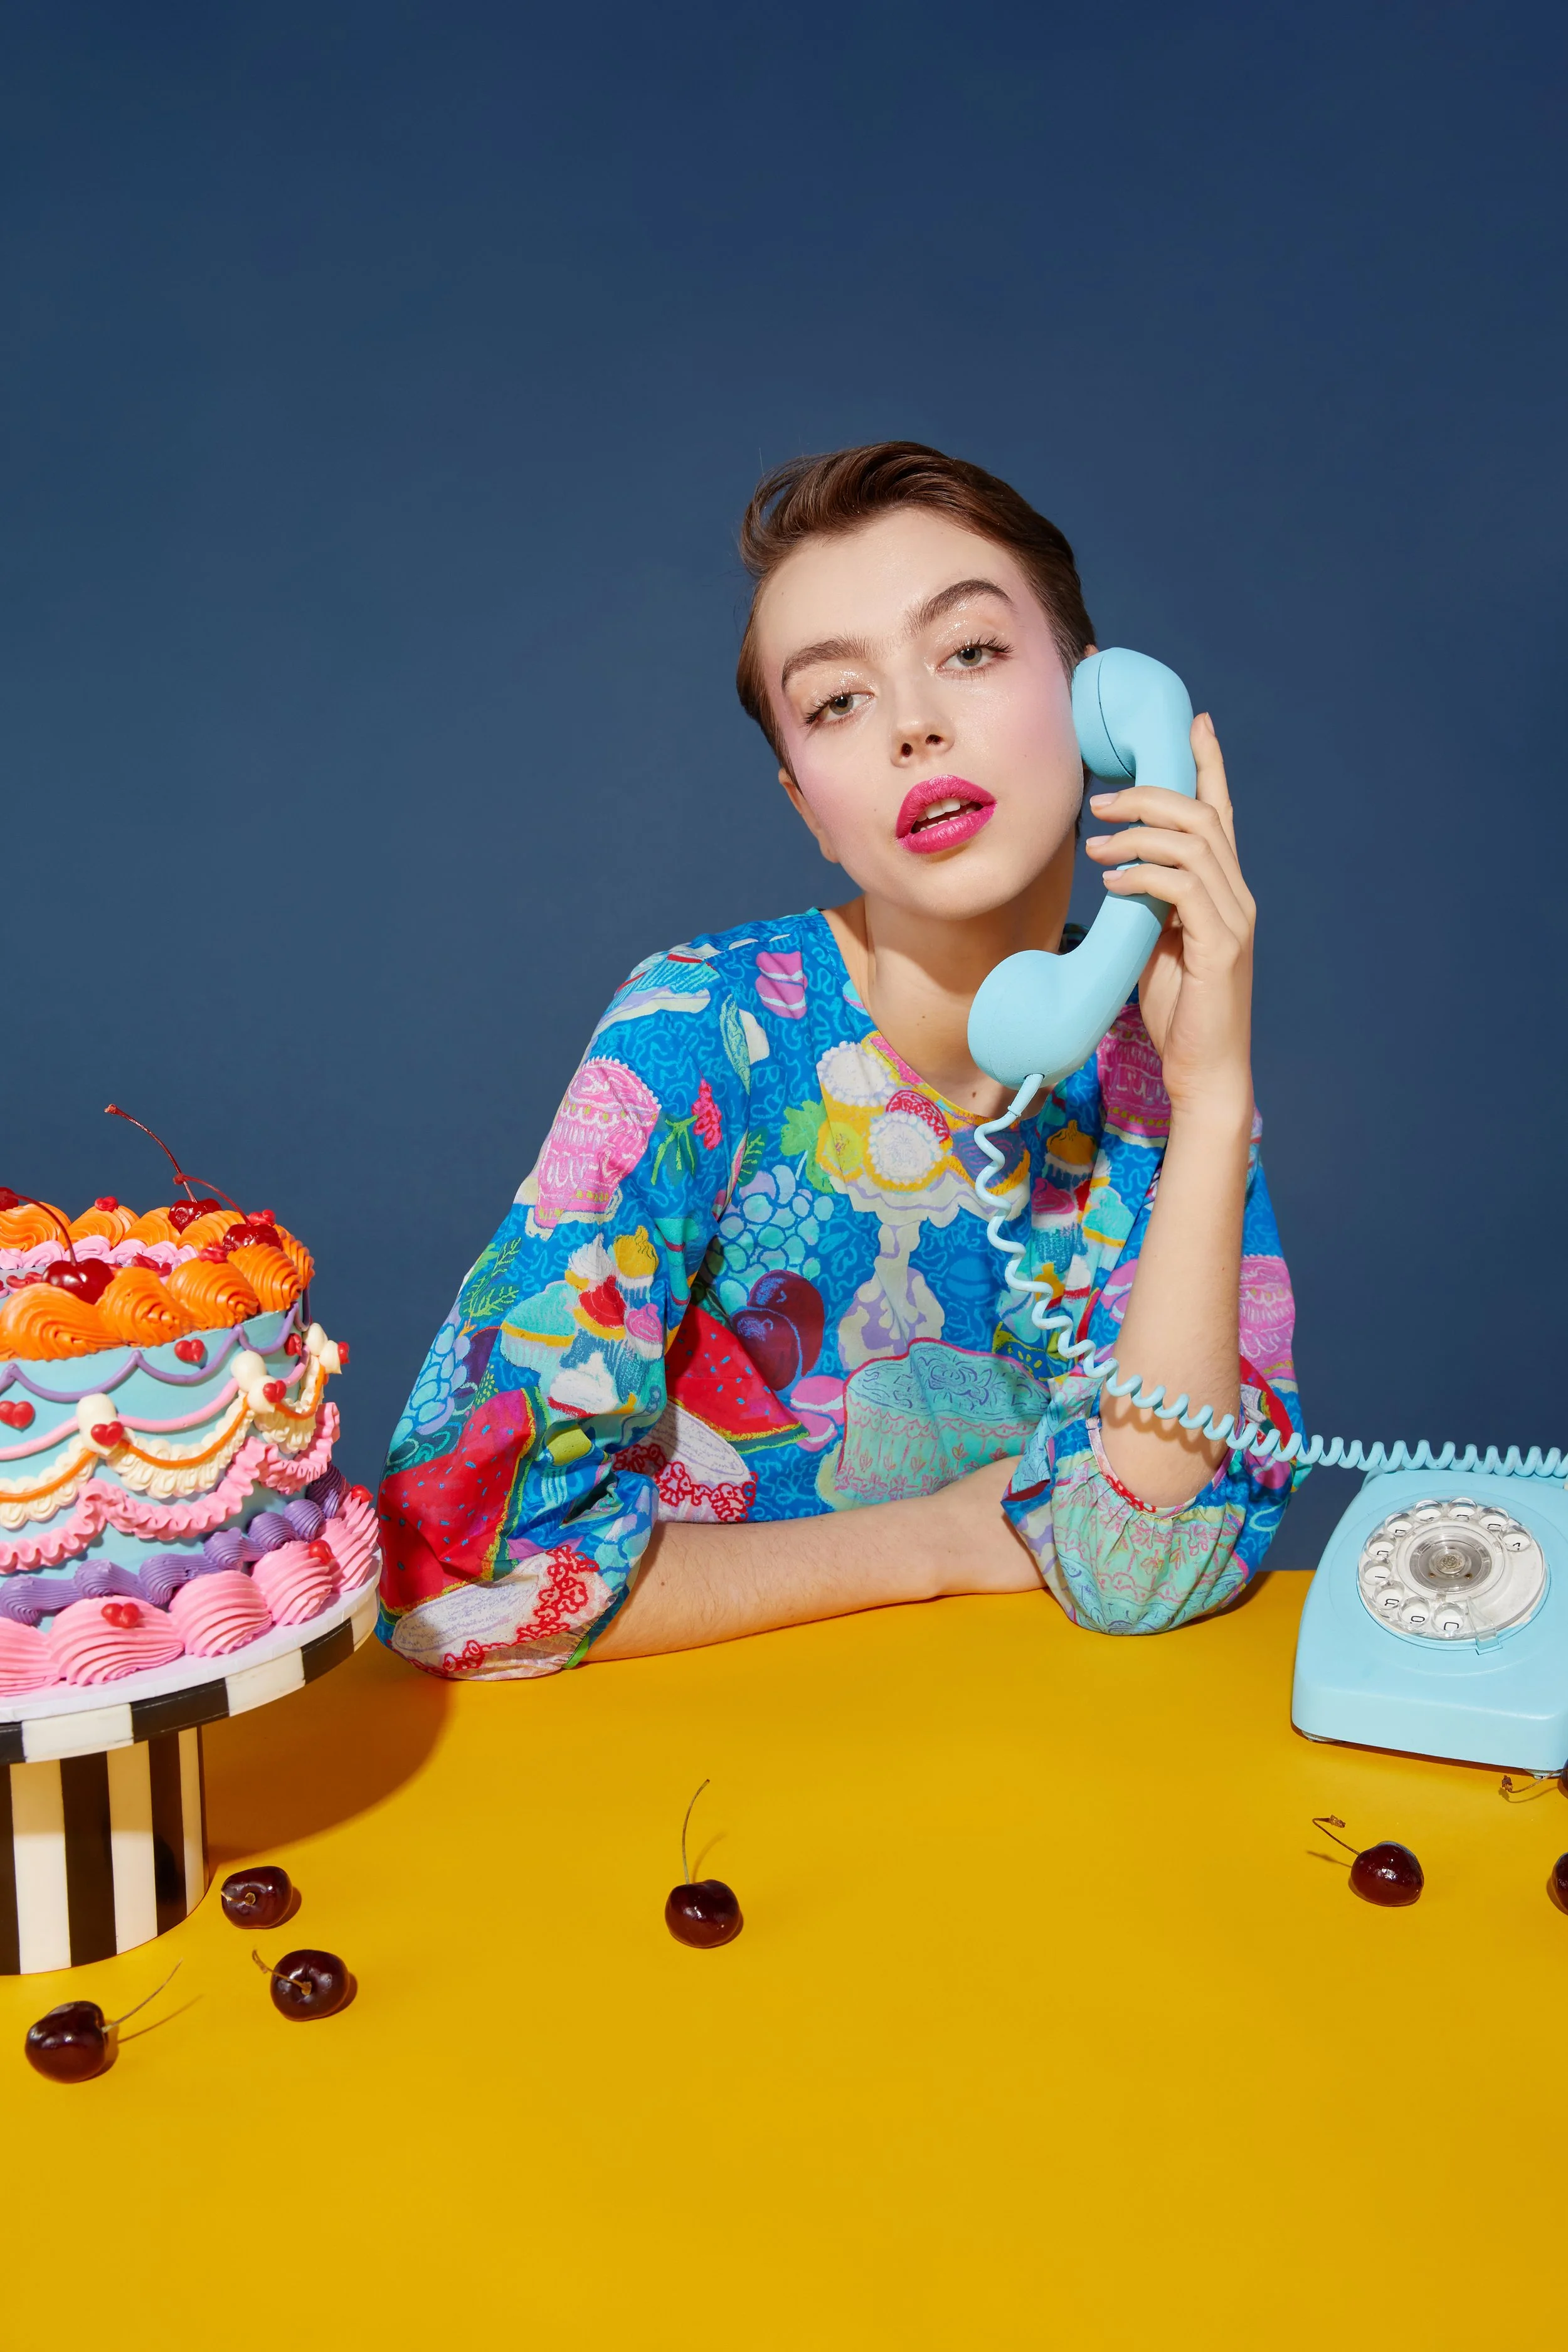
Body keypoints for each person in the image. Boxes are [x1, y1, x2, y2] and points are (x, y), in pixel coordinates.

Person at [376, 442, 1300, 1680]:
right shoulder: (697, 1033)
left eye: (966, 653)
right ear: (808, 806)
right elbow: (456, 1586)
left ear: (1098, 706)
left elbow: (1145, 1568)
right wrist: (926, 1544)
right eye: (835, 703)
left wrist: (1209, 1095)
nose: (914, 725)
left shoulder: (1156, 1062)